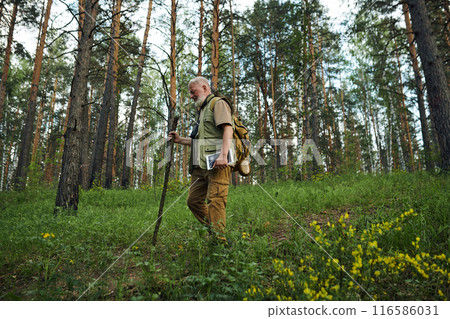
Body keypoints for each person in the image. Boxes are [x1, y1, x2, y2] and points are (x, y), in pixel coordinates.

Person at [169, 77, 233, 244]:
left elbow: (228, 128)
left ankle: (220, 244)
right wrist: (180, 140)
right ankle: (215, 232)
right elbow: (200, 141)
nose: (190, 96)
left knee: (215, 202)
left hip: (218, 164)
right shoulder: (202, 110)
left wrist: (223, 155)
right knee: (193, 201)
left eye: (193, 92)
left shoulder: (217, 104)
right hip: (200, 165)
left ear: (205, 88)